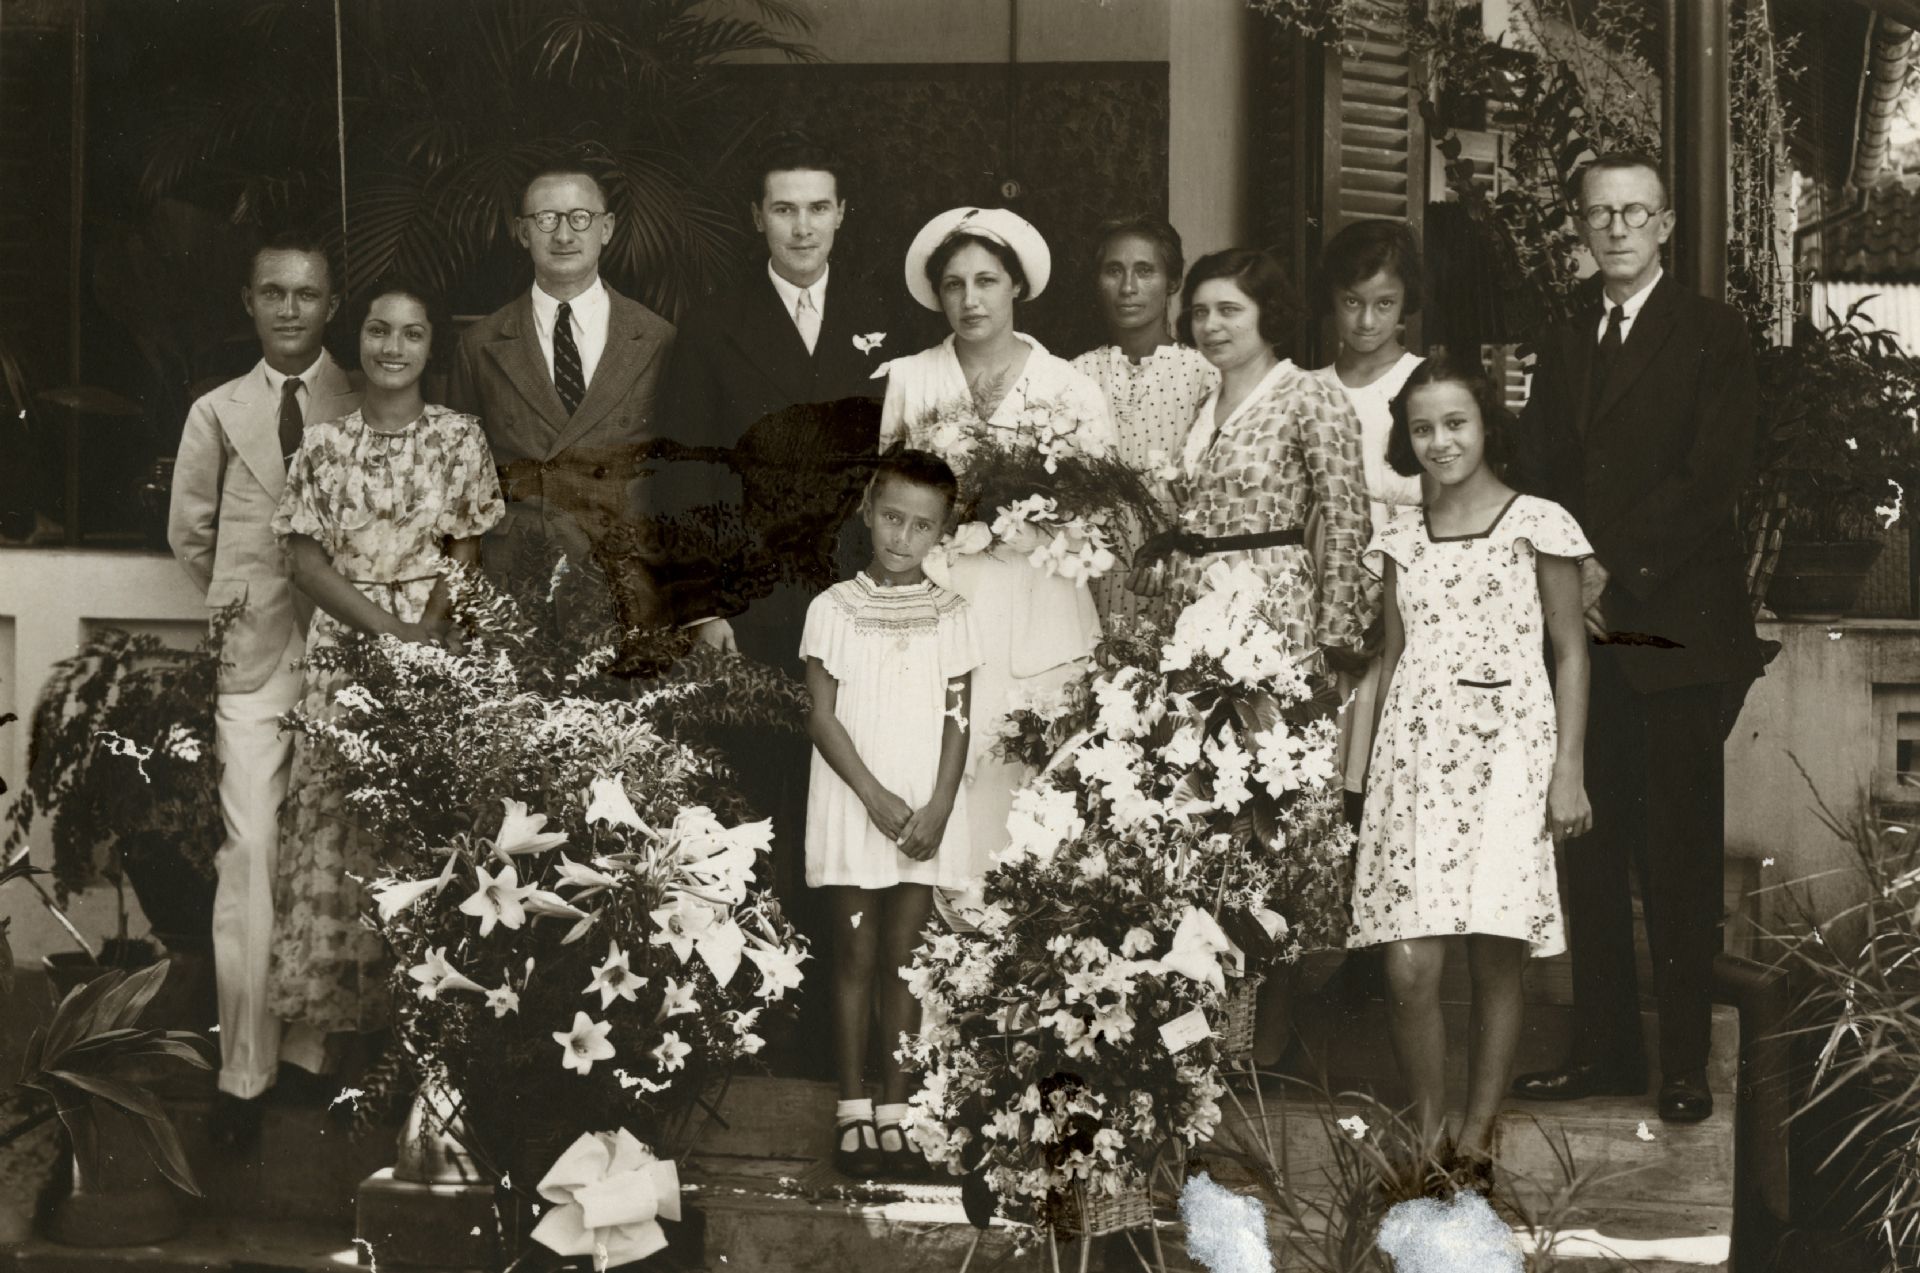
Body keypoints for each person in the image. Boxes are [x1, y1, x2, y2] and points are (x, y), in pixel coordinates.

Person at [1509, 151, 1768, 1124]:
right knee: (1591, 849)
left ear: (1666, 225)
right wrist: (1564, 574)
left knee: (1678, 859)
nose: (1614, 229)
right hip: (1578, 633)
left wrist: (1607, 564)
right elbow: (1536, 466)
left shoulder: (1714, 333)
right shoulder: (1565, 327)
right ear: (1582, 226)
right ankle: (1606, 1051)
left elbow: (1713, 479)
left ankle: (1686, 1062)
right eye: (1597, 214)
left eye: (1633, 213)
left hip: (1671, 635)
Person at [1351, 354, 1593, 1190]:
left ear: (1488, 425)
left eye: (1456, 422)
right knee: (1410, 965)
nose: (1440, 440)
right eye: (1423, 427)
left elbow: (1569, 652)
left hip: (1510, 759)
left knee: (1497, 952)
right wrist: (1370, 782)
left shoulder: (1541, 523)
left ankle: (1477, 1140)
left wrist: (1569, 771)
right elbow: (1395, 657)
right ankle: (1426, 1136)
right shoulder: (1399, 536)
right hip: (1415, 764)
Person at [267, 278, 504, 1065]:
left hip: (435, 650)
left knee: (418, 829)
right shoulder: (325, 443)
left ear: (432, 347)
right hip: (348, 650)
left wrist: (429, 631)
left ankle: (420, 1037)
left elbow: (466, 544)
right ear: (357, 340)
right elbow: (303, 558)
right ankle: (327, 1044)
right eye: (377, 330)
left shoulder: (461, 436)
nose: (391, 348)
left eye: (410, 333)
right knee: (338, 829)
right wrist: (389, 629)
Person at [1156, 247, 1376, 1066]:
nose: (1209, 326)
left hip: (1276, 612)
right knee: (1208, 818)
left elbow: (1348, 518)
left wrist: (1340, 636)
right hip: (1198, 621)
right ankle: (1217, 1019)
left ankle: (1272, 1024)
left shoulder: (1309, 393)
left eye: (1229, 312)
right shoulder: (1205, 400)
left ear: (1268, 318)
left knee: (1275, 819)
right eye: (1202, 312)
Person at [168, 230, 362, 1143]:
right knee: (248, 852)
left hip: (343, 657)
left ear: (332, 305)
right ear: (249, 302)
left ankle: (309, 1055)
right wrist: (242, 605)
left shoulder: (364, 401)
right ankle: (242, 1064)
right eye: (273, 292)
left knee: (323, 853)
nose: (290, 307)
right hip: (251, 657)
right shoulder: (215, 410)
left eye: (307, 293)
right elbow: (192, 536)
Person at [877, 206, 1115, 898]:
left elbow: (1099, 521)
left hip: (1043, 619)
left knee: (1037, 804)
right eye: (954, 284)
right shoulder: (912, 379)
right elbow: (892, 507)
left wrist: (1026, 521)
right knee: (942, 797)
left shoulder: (1069, 387)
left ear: (1017, 287)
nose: (970, 299)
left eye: (987, 280)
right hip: (943, 611)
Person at [801, 448, 980, 1178]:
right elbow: (820, 717)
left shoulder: (954, 613)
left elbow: (959, 716)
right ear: (869, 510)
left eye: (922, 525)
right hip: (855, 801)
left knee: (907, 958)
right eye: (893, 518)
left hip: (923, 813)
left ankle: (897, 1113)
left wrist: (938, 804)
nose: (903, 536)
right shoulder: (833, 607)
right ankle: (852, 1111)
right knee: (855, 954)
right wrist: (873, 794)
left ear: (944, 532)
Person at [446, 161, 674, 626]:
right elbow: (460, 488)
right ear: (522, 232)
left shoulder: (657, 339)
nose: (564, 235)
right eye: (546, 219)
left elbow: (678, 480)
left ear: (606, 228)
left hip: (624, 585)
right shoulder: (481, 345)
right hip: (517, 585)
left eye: (580, 218)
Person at [1312, 219, 1427, 829]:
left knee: (1379, 772)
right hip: (1315, 598)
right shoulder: (1305, 389)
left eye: (1384, 304)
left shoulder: (1424, 386)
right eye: (1352, 303)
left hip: (1400, 597)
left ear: (1406, 302)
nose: (1365, 322)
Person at [1069, 214, 1216, 631]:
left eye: (1145, 271)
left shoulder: (1206, 375)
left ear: (1173, 281)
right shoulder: (1072, 377)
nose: (1128, 288)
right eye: (1113, 271)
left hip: (1177, 577)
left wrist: (1173, 555)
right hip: (1089, 578)